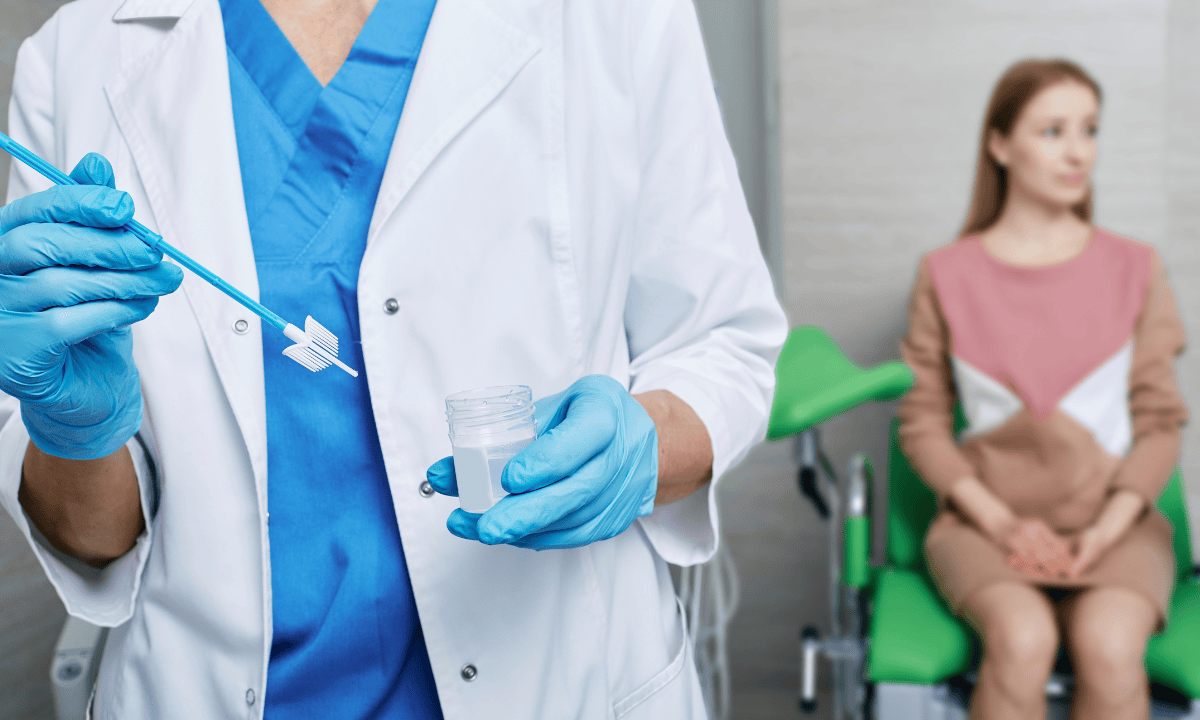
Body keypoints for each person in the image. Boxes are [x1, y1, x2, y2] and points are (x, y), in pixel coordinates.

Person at [0, 0, 787, 717]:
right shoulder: (73, 58)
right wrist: (77, 432)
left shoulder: (616, 17)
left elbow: (726, 343)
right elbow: (90, 537)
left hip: (561, 680)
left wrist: (639, 448)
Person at [898, 58, 1187, 720]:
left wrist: (1105, 531)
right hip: (983, 525)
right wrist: (1003, 524)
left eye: (1090, 129)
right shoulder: (946, 274)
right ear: (1000, 145)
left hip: (1115, 527)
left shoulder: (1136, 268)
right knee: (1023, 642)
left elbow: (1160, 424)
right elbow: (922, 424)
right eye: (1053, 131)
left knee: (1111, 648)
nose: (1078, 152)